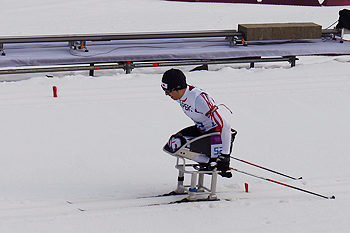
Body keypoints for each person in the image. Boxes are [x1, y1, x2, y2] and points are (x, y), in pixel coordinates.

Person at [161, 68, 234, 178]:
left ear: (178, 89)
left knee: (177, 145)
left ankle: (212, 162)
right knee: (172, 144)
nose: (166, 94)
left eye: (168, 91)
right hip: (202, 131)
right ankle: (208, 162)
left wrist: (225, 155)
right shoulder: (180, 95)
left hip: (214, 136)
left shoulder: (199, 99)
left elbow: (226, 125)